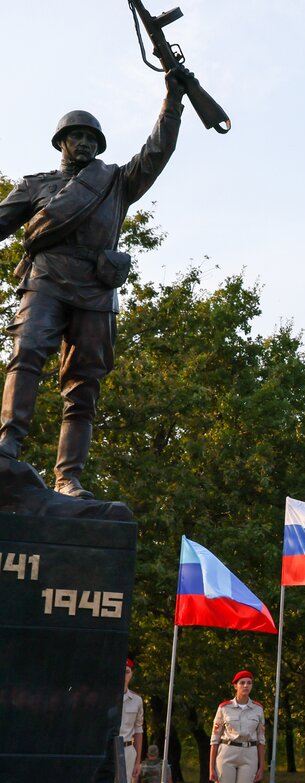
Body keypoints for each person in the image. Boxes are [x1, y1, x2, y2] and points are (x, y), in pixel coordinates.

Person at [0, 70, 186, 498]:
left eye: (91, 139)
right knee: (26, 351)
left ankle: (69, 479)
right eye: (76, 136)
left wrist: (172, 103)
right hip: (46, 279)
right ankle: (8, 444)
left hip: (96, 289)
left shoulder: (116, 183)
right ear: (61, 142)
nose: (84, 143)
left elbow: (157, 151)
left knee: (83, 385)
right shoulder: (35, 186)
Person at [111, 659, 144, 783]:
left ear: (131, 675)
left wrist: (138, 760)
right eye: (121, 671)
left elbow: (138, 729)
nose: (124, 675)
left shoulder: (136, 700)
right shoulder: (105, 698)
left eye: (127, 671)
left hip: (127, 750)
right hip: (108, 749)